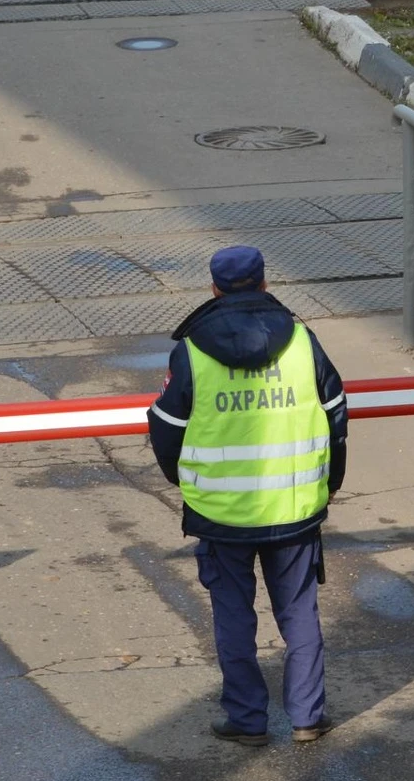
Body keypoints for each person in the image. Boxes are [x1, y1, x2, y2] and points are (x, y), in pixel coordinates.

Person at [147, 246, 348, 746]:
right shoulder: (302, 340)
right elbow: (336, 416)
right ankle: (306, 717)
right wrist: (329, 482)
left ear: (214, 288)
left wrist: (185, 482)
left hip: (220, 513)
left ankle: (247, 719)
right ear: (263, 283)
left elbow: (166, 427)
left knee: (234, 615)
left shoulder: (191, 350)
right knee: (299, 612)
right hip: (295, 508)